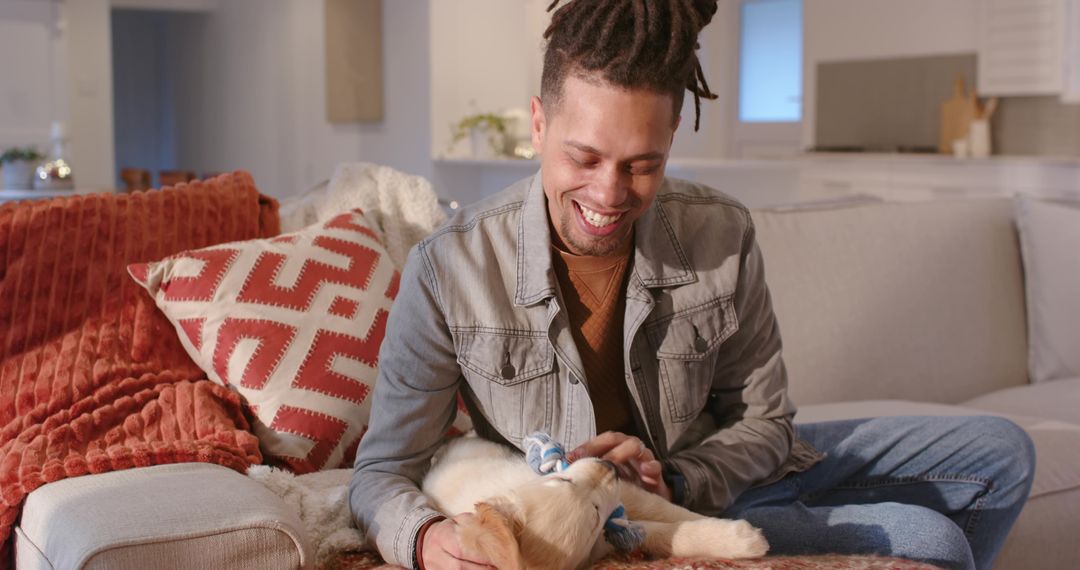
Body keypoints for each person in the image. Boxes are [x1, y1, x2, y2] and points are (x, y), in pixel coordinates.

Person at [350, 1, 1035, 569]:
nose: (609, 194)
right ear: (538, 123)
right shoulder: (451, 266)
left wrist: (674, 476)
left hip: (709, 481)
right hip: (608, 524)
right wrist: (424, 540)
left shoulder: (721, 235)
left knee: (1002, 452)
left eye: (642, 164)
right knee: (932, 542)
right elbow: (381, 471)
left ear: (674, 132)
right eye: (583, 158)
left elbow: (766, 424)